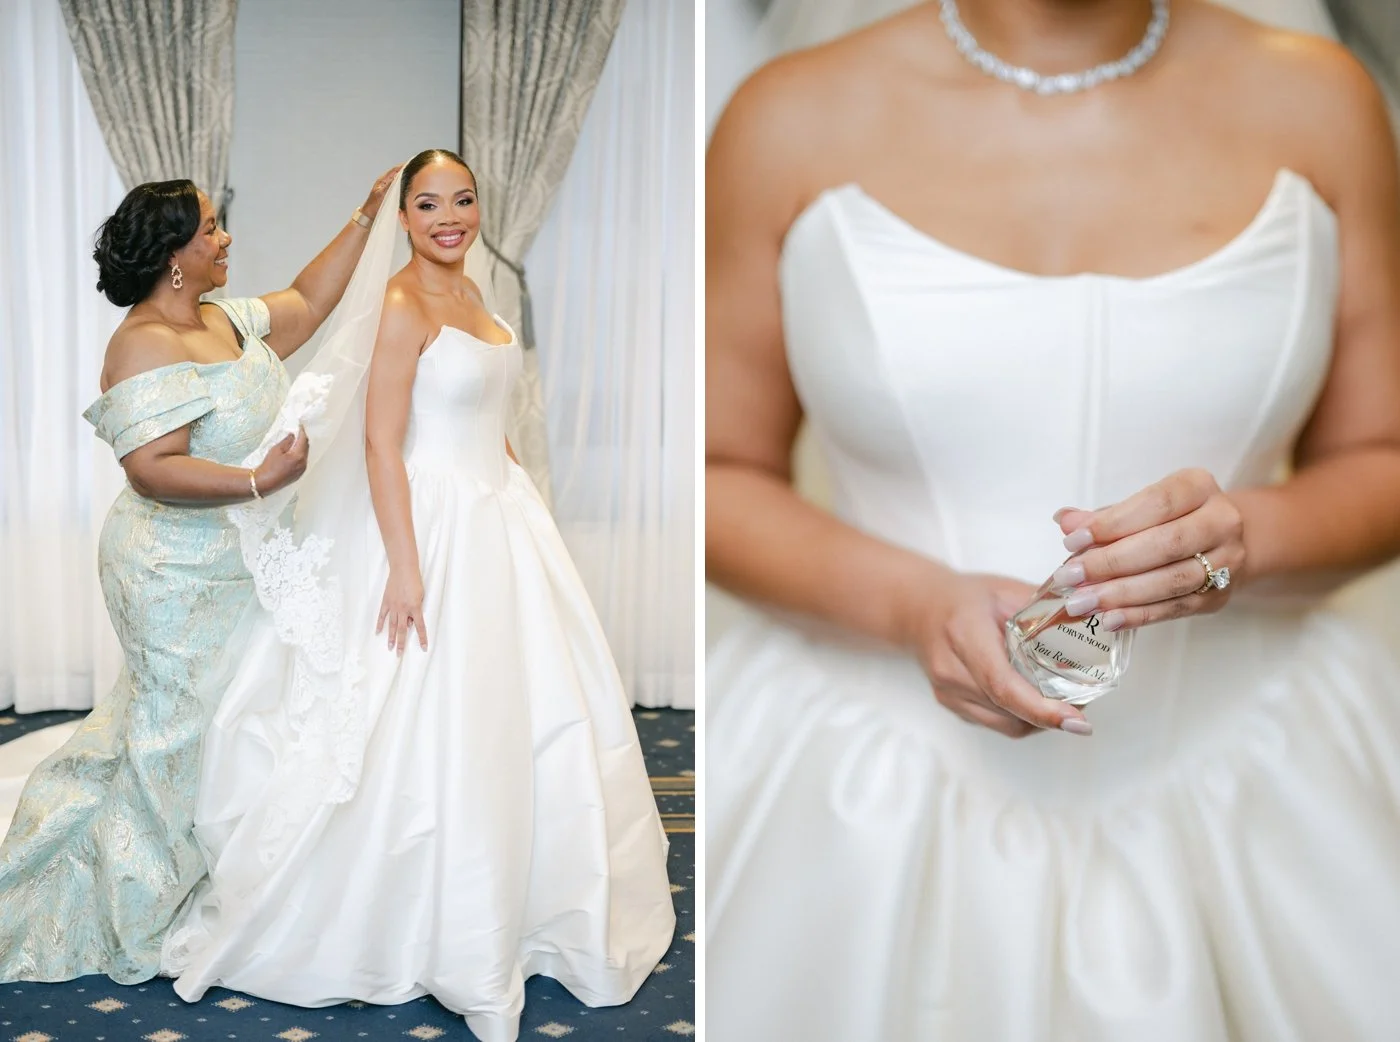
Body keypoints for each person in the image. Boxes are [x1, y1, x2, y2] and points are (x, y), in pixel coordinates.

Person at [705, 0, 1400, 1038]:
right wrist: (912, 604)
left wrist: (1246, 538)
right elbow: (716, 470)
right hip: (867, 776)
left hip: (1260, 762)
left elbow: (1378, 461)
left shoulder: (1320, 97)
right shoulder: (785, 117)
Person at [163, 151, 675, 1042]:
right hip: (429, 525)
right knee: (424, 718)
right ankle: (425, 926)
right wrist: (406, 567)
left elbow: (494, 424)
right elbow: (380, 447)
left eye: (464, 200)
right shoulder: (401, 305)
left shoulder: (480, 299)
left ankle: (526, 912)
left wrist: (529, 515)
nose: (451, 217)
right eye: (430, 204)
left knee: (529, 717)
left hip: (500, 517)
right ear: (403, 217)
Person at [0, 168, 398, 984]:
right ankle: (137, 914)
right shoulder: (146, 341)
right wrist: (261, 482)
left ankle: (190, 876)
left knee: (216, 726)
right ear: (174, 257)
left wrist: (365, 214)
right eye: (211, 228)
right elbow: (152, 468)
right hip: (167, 569)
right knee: (172, 736)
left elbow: (308, 302)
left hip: (235, 559)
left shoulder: (222, 320)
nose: (225, 240)